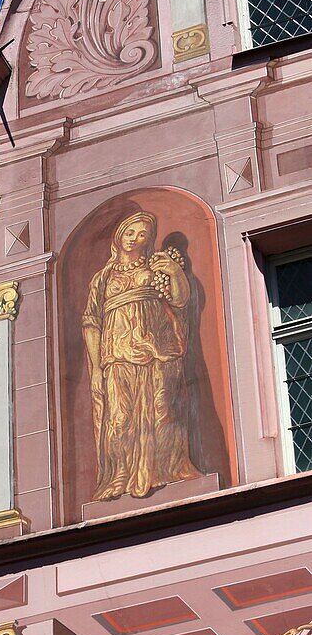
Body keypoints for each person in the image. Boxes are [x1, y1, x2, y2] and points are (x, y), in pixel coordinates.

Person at [82, 210, 200, 500]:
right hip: (117, 356)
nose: (135, 238)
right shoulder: (103, 277)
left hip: (157, 350)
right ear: (119, 236)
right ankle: (119, 476)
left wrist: (173, 272)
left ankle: (165, 469)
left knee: (163, 410)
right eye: (130, 232)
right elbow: (91, 322)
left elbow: (180, 300)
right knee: (119, 418)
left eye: (143, 233)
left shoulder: (158, 265)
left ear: (150, 239)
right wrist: (96, 368)